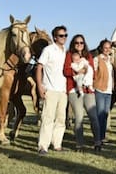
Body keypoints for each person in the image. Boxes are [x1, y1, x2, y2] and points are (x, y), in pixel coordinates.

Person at [63, 34, 101, 152]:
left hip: (88, 90)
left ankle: (98, 142)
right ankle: (79, 144)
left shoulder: (88, 55)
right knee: (79, 117)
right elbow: (66, 70)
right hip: (74, 90)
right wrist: (78, 71)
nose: (79, 45)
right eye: (77, 43)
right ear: (73, 44)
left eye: (81, 43)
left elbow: (93, 72)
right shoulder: (69, 55)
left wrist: (86, 72)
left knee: (93, 117)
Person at [36, 25, 68, 156]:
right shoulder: (48, 50)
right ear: (55, 37)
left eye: (65, 35)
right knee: (47, 118)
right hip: (50, 89)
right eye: (61, 35)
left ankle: (57, 144)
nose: (64, 38)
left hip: (63, 90)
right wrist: (39, 86)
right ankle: (43, 146)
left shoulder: (66, 51)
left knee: (61, 119)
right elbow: (39, 67)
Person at [93, 39, 114, 145]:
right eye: (105, 48)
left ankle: (102, 136)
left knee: (105, 114)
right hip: (100, 89)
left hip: (109, 90)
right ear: (101, 48)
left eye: (109, 48)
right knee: (100, 114)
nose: (107, 50)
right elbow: (93, 73)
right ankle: (97, 137)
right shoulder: (97, 59)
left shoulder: (110, 59)